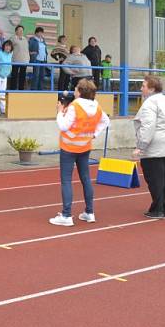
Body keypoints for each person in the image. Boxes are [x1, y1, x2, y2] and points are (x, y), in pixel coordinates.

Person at [50, 79, 109, 226]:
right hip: (85, 146)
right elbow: (106, 121)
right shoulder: (96, 106)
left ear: (80, 91)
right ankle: (89, 212)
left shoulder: (75, 105)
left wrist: (59, 112)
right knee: (85, 178)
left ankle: (66, 215)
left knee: (66, 180)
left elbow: (64, 126)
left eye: (76, 89)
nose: (74, 91)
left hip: (69, 147)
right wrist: (94, 134)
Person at [133, 75, 165, 218]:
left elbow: (148, 127)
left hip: (156, 147)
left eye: (143, 86)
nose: (141, 88)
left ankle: (158, 209)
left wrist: (140, 147)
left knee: (155, 179)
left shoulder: (149, 104)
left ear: (151, 89)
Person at [9, 25, 29, 91]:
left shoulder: (25, 39)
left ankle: (21, 90)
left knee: (22, 76)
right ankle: (12, 90)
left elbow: (26, 49)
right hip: (16, 60)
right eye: (19, 30)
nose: (21, 31)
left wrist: (28, 58)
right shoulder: (13, 38)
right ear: (16, 31)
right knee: (14, 75)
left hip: (24, 60)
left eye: (22, 30)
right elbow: (9, 48)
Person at [29, 27, 48, 91]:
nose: (41, 34)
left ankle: (40, 89)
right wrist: (31, 53)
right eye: (39, 32)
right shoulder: (32, 40)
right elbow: (28, 49)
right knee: (36, 75)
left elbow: (45, 49)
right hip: (36, 59)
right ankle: (34, 89)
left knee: (42, 75)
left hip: (43, 60)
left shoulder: (43, 40)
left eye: (42, 32)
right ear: (36, 33)